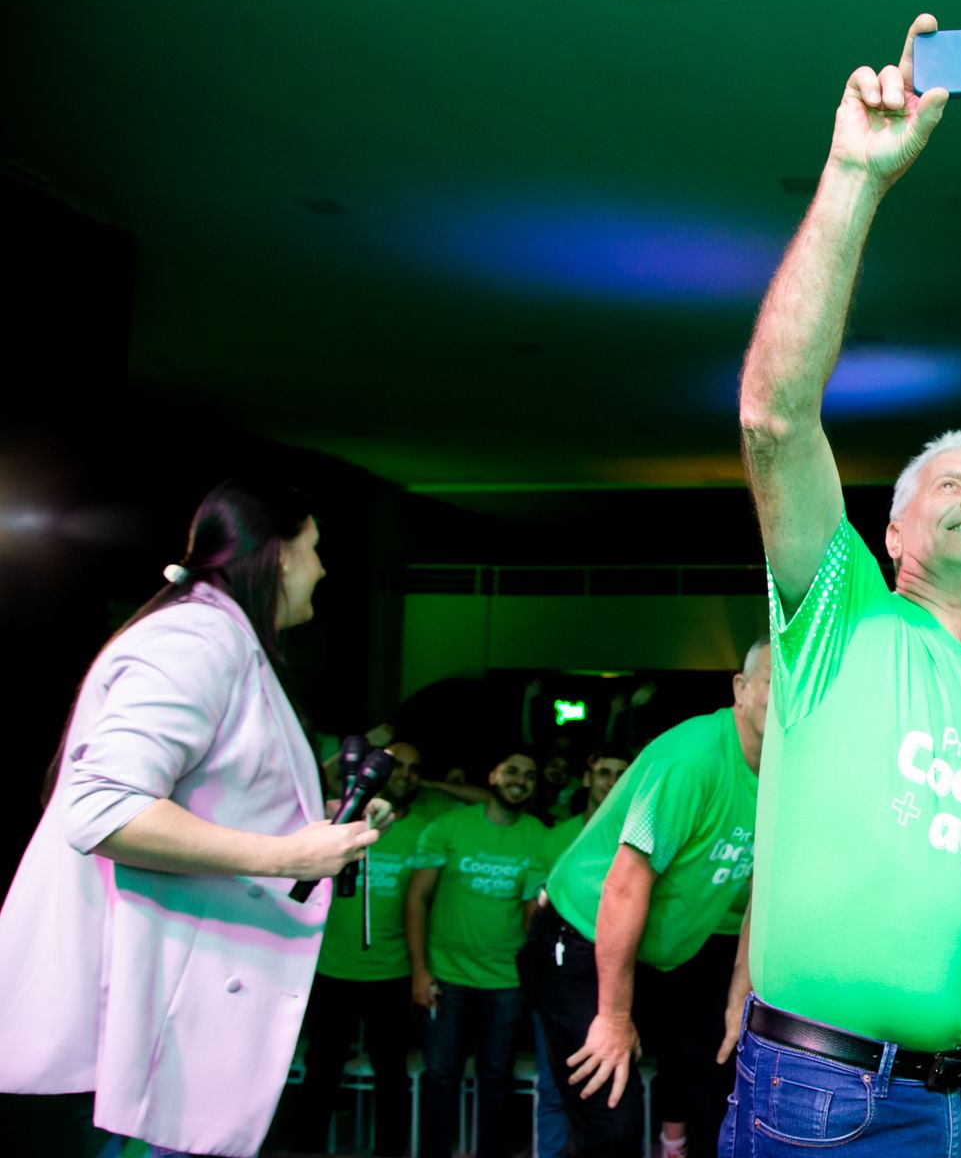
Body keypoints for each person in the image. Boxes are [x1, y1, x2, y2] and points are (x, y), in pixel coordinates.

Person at [728, 12, 961, 1157]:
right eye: (954, 483)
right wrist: (855, 175)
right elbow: (774, 416)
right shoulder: (843, 617)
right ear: (892, 528)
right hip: (824, 1107)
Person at [0, 479, 380, 1158]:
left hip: (175, 1007)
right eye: (316, 548)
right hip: (136, 1017)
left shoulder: (224, 639)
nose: (323, 568)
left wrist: (318, 827)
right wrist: (289, 858)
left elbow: (213, 797)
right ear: (281, 554)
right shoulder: (196, 638)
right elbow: (105, 811)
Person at [520, 642, 767, 1158]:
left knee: (715, 1078)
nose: (788, 697)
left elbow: (759, 887)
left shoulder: (784, 775)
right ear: (740, 690)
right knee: (610, 1117)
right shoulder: (692, 759)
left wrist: (736, 996)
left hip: (661, 957)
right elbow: (624, 886)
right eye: (773, 681)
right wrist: (613, 1017)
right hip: (580, 936)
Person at [287, 741, 434, 1155]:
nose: (404, 775)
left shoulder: (427, 828)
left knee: (392, 1076)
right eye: (396, 767)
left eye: (413, 768)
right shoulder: (338, 819)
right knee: (322, 1070)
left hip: (392, 972)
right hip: (332, 968)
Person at [407, 750, 550, 1158]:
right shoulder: (447, 827)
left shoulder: (539, 835)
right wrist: (419, 971)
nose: (520, 780)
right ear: (492, 777)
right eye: (512, 771)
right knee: (441, 1077)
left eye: (529, 775)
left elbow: (533, 914)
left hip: (505, 979)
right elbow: (417, 899)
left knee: (495, 1076)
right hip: (445, 977)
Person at [531, 747, 633, 1158]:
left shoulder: (636, 838)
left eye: (620, 774)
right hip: (558, 973)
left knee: (607, 1090)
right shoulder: (556, 837)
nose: (611, 781)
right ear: (588, 777)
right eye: (604, 771)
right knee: (554, 1085)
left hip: (613, 983)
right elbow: (534, 911)